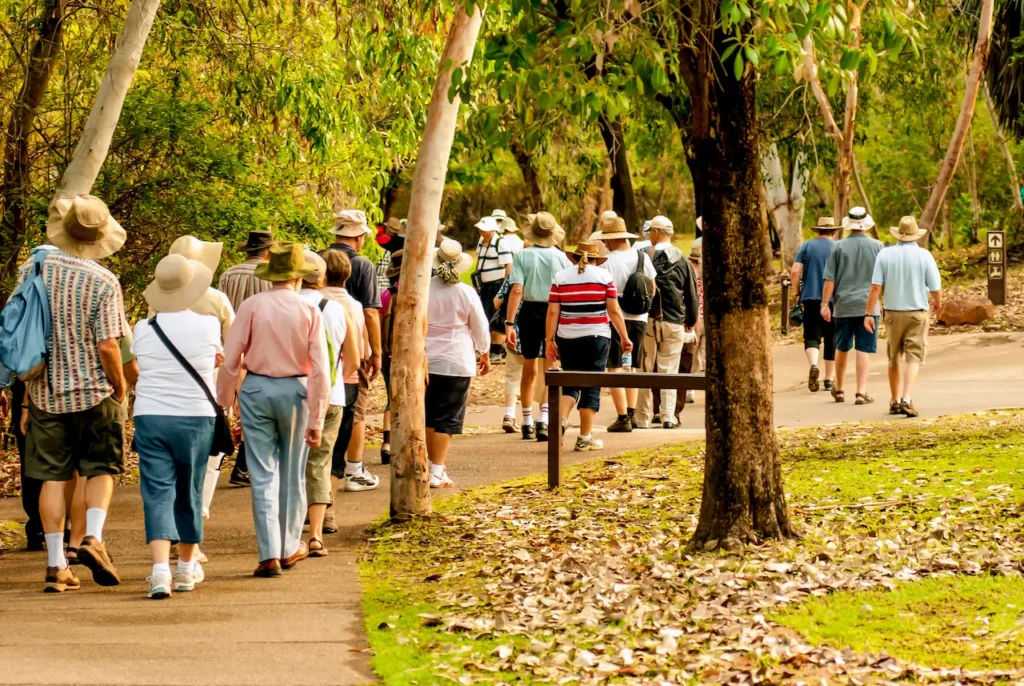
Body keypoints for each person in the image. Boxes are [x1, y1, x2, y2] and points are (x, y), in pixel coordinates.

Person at [22, 195, 130, 593]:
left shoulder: (32, 269)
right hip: (93, 392)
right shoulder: (103, 281)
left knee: (53, 478)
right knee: (100, 469)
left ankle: (55, 566)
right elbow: (108, 346)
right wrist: (119, 386)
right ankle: (92, 539)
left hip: (45, 392)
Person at [217, 243, 330, 577]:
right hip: (295, 389)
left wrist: (224, 401)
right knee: (293, 470)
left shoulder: (251, 306)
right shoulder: (310, 311)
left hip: (256, 388)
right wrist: (317, 417)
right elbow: (321, 368)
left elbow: (231, 355)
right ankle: (288, 546)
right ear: (297, 278)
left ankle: (268, 553)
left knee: (263, 472)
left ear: (271, 277)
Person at [133, 254, 221, 598]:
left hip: (151, 414)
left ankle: (158, 572)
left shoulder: (143, 327)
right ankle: (185, 568)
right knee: (190, 488)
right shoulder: (208, 325)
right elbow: (218, 358)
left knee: (156, 491)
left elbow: (141, 361)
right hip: (196, 415)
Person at [152, 236, 235, 529]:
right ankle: (195, 516)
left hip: (167, 389)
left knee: (172, 461)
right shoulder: (216, 299)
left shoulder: (156, 301)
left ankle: (174, 522)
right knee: (210, 458)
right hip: (208, 389)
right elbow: (235, 346)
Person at [298, 251, 359, 556]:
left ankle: (291, 529)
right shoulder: (336, 309)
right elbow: (354, 358)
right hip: (332, 395)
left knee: (293, 464)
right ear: (322, 277)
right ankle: (317, 534)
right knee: (320, 463)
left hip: (294, 392)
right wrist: (338, 379)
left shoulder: (289, 305)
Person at [546, 241, 632, 452]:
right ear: (596, 258)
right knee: (592, 385)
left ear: (574, 257)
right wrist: (624, 336)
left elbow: (552, 312)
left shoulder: (561, 277)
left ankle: (561, 421)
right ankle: (585, 437)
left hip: (567, 336)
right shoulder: (604, 277)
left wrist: (549, 340)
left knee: (570, 383)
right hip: (597, 337)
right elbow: (613, 311)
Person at [425, 239, 491, 487]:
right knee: (448, 416)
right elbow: (480, 325)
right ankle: (437, 469)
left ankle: (433, 465)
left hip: (427, 357)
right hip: (456, 358)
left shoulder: (425, 288)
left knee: (430, 414)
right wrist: (484, 351)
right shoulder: (465, 292)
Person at [864, 216, 942, 418]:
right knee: (913, 356)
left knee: (894, 356)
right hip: (917, 313)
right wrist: (938, 304)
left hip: (892, 313)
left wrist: (868, 313)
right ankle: (907, 398)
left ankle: (894, 400)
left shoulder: (885, 254)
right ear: (916, 235)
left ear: (898, 234)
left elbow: (875, 287)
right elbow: (935, 288)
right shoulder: (924, 256)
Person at [324, 210, 382, 475]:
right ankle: (354, 468)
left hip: (320, 344)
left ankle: (325, 464)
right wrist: (376, 352)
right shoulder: (363, 264)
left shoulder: (319, 258)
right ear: (359, 238)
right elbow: (371, 311)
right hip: (353, 348)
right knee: (355, 408)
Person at [505, 212, 572, 441]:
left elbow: (516, 290)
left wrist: (509, 322)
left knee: (529, 367)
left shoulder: (522, 256)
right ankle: (544, 419)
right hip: (553, 310)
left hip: (529, 311)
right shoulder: (561, 258)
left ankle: (526, 421)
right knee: (550, 366)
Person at [218, 229, 275, 487]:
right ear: (267, 251)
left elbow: (220, 308)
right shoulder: (271, 275)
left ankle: (218, 461)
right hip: (259, 347)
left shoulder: (229, 274)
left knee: (229, 406)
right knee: (254, 409)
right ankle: (242, 465)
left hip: (230, 343)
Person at [320, 249, 378, 494]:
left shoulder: (310, 300)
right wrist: (374, 352)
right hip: (346, 376)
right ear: (347, 275)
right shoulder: (352, 305)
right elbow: (358, 348)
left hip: (312, 375)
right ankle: (353, 470)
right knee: (352, 421)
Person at [634, 216, 699, 429]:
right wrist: (690, 321)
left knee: (645, 369)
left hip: (648, 321)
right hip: (674, 322)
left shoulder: (642, 257)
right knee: (669, 370)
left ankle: (642, 417)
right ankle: (668, 416)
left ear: (654, 232)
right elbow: (691, 293)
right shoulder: (682, 259)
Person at [595, 215, 656, 432]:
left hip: (614, 319)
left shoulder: (607, 262)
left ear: (610, 240)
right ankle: (631, 411)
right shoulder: (642, 258)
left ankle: (622, 417)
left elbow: (604, 295)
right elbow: (653, 287)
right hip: (639, 318)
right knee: (631, 367)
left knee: (614, 368)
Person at [821, 206, 884, 405]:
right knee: (863, 349)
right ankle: (861, 391)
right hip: (868, 307)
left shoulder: (837, 247)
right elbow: (882, 280)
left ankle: (839, 389)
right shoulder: (878, 246)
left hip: (843, 305)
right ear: (865, 225)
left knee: (842, 346)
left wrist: (824, 304)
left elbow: (829, 280)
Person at [791, 217, 838, 393]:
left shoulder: (807, 245)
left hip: (810, 297)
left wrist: (798, 293)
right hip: (833, 299)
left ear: (817, 230)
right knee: (831, 337)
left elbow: (795, 271)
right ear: (833, 231)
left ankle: (813, 365)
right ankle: (828, 379)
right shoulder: (838, 246)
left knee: (811, 335)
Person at [474, 215, 513, 364]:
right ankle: (487, 348)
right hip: (484, 285)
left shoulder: (500, 243)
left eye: (484, 230)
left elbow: (508, 265)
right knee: (484, 315)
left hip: (496, 285)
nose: (481, 232)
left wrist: (505, 287)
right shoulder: (481, 242)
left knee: (495, 316)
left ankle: (496, 350)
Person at [378, 249, 402, 464]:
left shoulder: (385, 295)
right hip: (409, 354)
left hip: (388, 353)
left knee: (390, 398)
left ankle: (386, 442)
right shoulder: (416, 293)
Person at [680, 236, 705, 406]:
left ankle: (690, 389)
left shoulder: (688, 276)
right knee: (705, 354)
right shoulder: (708, 276)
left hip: (695, 317)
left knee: (691, 353)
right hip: (708, 317)